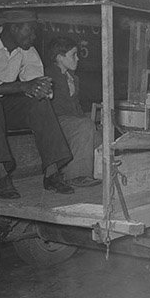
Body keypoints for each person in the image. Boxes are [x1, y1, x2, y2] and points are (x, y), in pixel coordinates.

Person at [0, 10, 74, 200]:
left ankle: (52, 172)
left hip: (1, 104)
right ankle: (0, 175)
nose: (34, 36)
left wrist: (41, 89)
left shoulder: (27, 50)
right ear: (14, 27)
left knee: (39, 103)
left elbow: (35, 82)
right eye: (31, 31)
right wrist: (23, 86)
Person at [46, 36, 101, 187]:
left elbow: (75, 106)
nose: (78, 59)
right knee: (84, 126)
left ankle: (102, 173)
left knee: (100, 136)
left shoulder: (73, 78)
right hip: (54, 121)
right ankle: (75, 175)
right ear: (60, 57)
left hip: (71, 121)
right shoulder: (48, 76)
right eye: (73, 55)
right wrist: (84, 122)